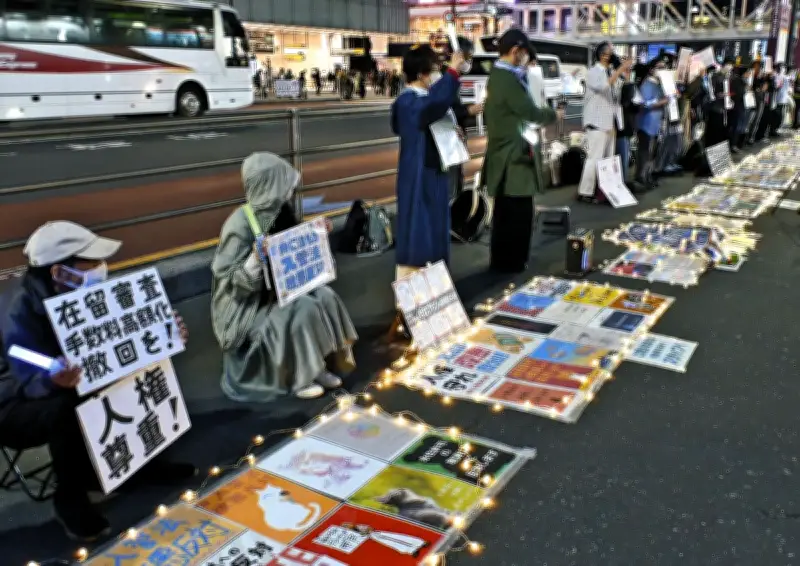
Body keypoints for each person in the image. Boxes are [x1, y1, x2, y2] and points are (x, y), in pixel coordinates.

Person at [0, 221, 195, 542]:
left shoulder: (85, 292)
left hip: (73, 379)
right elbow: (20, 376)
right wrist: (51, 380)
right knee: (68, 404)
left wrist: (166, 336)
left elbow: (126, 338)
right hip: (16, 402)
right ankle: (70, 498)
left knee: (137, 371)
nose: (101, 269)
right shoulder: (18, 310)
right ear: (60, 273)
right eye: (90, 263)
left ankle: (142, 462)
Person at [211, 153, 358, 401]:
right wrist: (255, 260)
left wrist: (316, 235)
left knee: (325, 295)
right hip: (248, 305)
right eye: (285, 183)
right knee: (303, 308)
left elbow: (294, 250)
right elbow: (228, 281)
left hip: (280, 290)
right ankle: (301, 377)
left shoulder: (281, 211)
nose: (291, 189)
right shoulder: (238, 226)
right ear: (270, 185)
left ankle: (318, 364)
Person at [483, 29, 559, 273]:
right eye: (525, 54)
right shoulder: (508, 79)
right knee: (518, 212)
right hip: (513, 155)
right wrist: (552, 114)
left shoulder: (501, 75)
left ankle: (504, 260)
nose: (526, 59)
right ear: (516, 51)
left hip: (507, 151)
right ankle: (513, 261)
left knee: (506, 212)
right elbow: (530, 112)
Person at [391, 44, 464, 281]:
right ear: (422, 73)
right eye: (434, 69)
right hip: (419, 177)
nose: (437, 75)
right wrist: (452, 73)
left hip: (431, 173)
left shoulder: (419, 99)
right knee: (419, 234)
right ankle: (413, 295)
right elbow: (431, 107)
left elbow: (434, 111)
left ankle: (435, 288)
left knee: (431, 231)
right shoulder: (409, 101)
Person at [577, 41, 633, 201]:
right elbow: (602, 87)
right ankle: (585, 191)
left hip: (610, 122)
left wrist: (623, 74)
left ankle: (605, 191)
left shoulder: (610, 72)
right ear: (603, 55)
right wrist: (619, 70)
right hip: (596, 121)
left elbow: (617, 95)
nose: (614, 55)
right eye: (611, 52)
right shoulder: (593, 72)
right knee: (594, 158)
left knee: (607, 160)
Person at [635, 57, 669, 191]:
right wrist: (662, 102)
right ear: (652, 69)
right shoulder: (647, 85)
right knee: (644, 152)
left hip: (655, 124)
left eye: (664, 67)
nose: (662, 70)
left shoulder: (659, 85)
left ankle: (648, 176)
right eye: (659, 67)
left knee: (651, 153)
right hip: (646, 124)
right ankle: (641, 177)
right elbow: (644, 104)